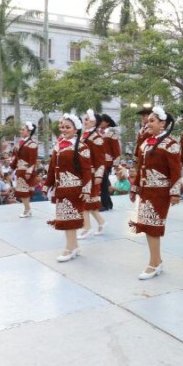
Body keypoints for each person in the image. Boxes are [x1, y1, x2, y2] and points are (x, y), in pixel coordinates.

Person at [129, 107, 182, 279]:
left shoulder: (171, 144)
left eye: (152, 121)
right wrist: (134, 188)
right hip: (146, 191)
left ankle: (153, 263)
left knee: (153, 227)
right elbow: (141, 168)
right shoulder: (145, 143)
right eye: (148, 120)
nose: (148, 123)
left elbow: (175, 170)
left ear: (162, 123)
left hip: (160, 192)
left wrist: (175, 193)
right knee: (147, 226)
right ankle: (156, 260)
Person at [44, 113, 95, 261]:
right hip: (61, 189)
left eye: (68, 127)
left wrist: (86, 189)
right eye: (62, 127)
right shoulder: (58, 145)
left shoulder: (81, 146)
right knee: (65, 218)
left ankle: (70, 248)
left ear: (76, 129)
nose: (64, 130)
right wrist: (47, 185)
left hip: (74, 189)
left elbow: (86, 170)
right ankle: (74, 246)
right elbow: (52, 168)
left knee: (70, 220)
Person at [77, 110, 108, 239]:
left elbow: (100, 159)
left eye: (87, 119)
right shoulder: (85, 135)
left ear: (94, 122)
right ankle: (101, 222)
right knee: (88, 202)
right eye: (84, 119)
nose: (84, 121)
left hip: (92, 173)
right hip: (83, 172)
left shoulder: (96, 138)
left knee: (84, 201)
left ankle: (86, 228)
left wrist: (99, 175)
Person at [10, 122, 41, 218]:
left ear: (29, 132)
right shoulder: (20, 143)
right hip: (20, 169)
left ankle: (27, 209)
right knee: (21, 191)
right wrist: (12, 165)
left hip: (27, 170)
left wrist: (29, 171)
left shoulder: (32, 144)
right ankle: (27, 209)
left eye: (23, 130)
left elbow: (33, 160)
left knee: (24, 191)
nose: (21, 131)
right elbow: (16, 157)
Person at [99, 114, 121, 211]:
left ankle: (104, 204)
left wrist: (116, 164)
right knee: (104, 182)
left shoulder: (112, 133)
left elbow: (116, 149)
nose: (99, 123)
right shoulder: (98, 133)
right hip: (99, 161)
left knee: (103, 183)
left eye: (102, 121)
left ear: (107, 122)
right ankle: (108, 203)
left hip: (107, 161)